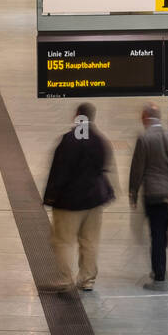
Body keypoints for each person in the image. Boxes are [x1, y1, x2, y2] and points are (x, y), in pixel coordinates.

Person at [42, 103, 116, 292]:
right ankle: (87, 279)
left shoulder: (69, 140)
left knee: (63, 241)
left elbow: (59, 171)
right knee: (89, 241)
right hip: (93, 201)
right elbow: (102, 168)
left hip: (70, 202)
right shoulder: (100, 140)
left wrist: (50, 196)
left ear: (77, 116)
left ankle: (65, 279)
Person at [128, 102, 168, 291]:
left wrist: (133, 192)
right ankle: (160, 269)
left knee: (156, 236)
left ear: (145, 118)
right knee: (162, 235)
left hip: (152, 193)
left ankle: (159, 277)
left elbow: (137, 168)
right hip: (167, 193)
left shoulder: (144, 138)